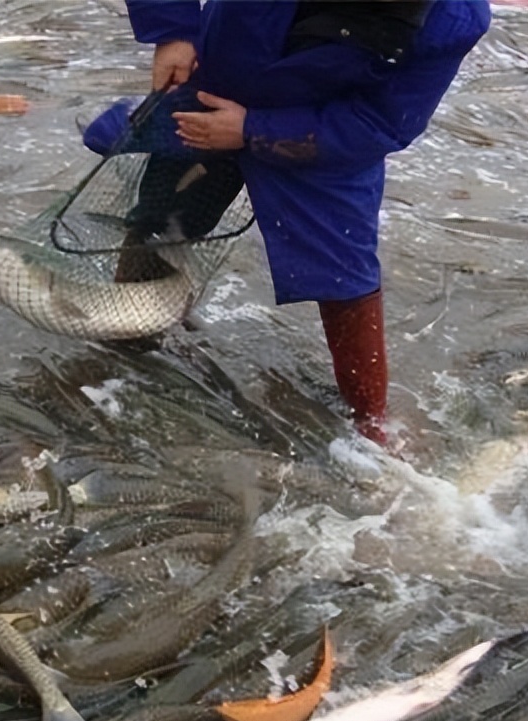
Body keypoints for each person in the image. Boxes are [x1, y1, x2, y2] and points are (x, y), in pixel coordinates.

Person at [82, 0, 491, 446]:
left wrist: (255, 130)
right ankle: (125, 351)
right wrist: (173, 32)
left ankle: (371, 425)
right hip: (220, 80)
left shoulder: (454, 19)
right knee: (162, 219)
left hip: (324, 133)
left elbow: (384, 122)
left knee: (344, 275)